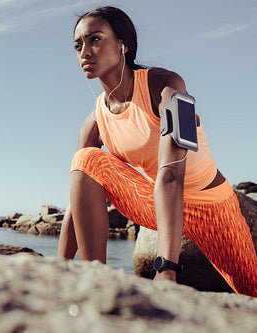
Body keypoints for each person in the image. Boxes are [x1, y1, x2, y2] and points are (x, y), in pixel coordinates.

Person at [56, 6, 257, 296]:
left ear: (123, 44)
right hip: (155, 204)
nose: (84, 51)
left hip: (213, 207)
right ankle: (94, 281)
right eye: (78, 45)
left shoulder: (167, 86)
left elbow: (171, 176)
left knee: (251, 293)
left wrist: (166, 270)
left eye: (95, 39)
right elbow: (78, 194)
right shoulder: (95, 120)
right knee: (85, 159)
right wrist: (58, 267)